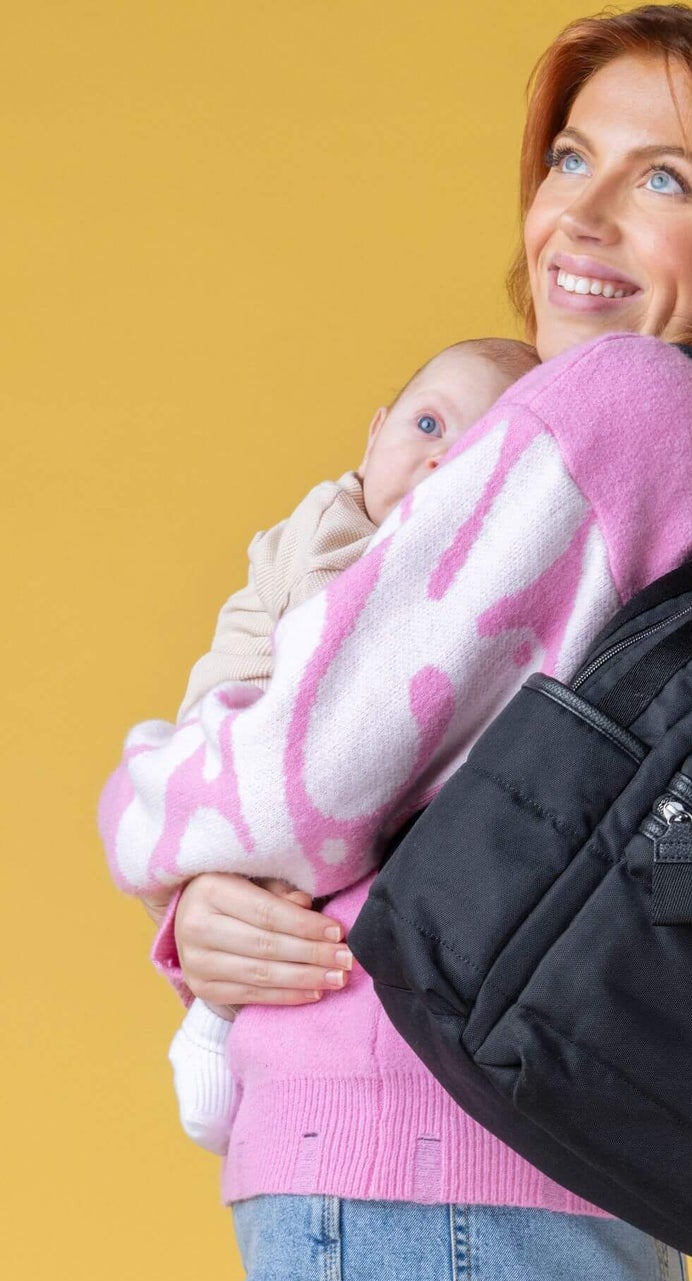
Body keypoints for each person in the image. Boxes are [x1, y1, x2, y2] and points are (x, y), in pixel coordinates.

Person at [97, 6, 692, 1281]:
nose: (581, 211)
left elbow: (300, 785)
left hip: (422, 1211)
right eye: (572, 156)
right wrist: (208, 923)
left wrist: (146, 821)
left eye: (667, 179)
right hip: (553, 1228)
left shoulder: (617, 408)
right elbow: (488, 820)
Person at [161, 337, 539, 1156]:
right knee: (256, 853)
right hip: (265, 777)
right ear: (373, 436)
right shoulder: (300, 540)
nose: (439, 460)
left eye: (475, 453)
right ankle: (213, 1018)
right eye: (427, 423)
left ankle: (223, 1014)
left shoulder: (483, 580)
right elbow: (232, 664)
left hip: (390, 843)